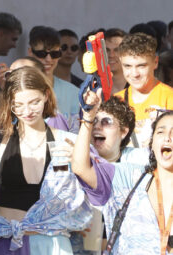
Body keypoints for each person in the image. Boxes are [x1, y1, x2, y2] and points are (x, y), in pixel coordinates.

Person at [0, 66, 91, 254]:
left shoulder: (68, 141)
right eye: (18, 104)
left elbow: (96, 186)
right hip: (5, 241)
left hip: (52, 243)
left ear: (46, 96)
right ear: (10, 103)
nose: (27, 111)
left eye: (34, 102)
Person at [72, 93, 173, 254]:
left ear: (124, 131)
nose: (168, 138)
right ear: (151, 142)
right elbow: (80, 167)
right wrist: (88, 117)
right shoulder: (132, 176)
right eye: (160, 132)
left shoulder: (136, 158)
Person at [115, 33, 173, 147]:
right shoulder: (116, 101)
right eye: (127, 66)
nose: (134, 73)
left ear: (155, 62)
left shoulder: (169, 97)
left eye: (141, 66)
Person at [28, 26, 81, 132]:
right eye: (42, 54)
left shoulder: (74, 92)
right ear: (30, 52)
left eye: (54, 54)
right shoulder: (20, 89)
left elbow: (76, 134)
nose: (48, 59)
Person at [89, 96, 148, 165]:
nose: (96, 126)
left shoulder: (139, 160)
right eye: (94, 121)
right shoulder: (76, 152)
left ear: (123, 132)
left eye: (107, 122)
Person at [105, 28, 127, 94]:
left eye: (117, 50)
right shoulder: (95, 87)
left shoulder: (138, 86)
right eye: (107, 50)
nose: (111, 55)